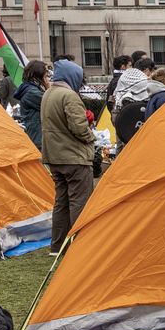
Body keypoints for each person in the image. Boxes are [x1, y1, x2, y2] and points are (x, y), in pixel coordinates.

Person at [40, 59, 95, 255]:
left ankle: (57, 246)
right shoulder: (69, 96)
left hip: (54, 156)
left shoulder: (48, 93)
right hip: (74, 157)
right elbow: (79, 127)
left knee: (61, 202)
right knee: (79, 201)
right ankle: (80, 245)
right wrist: (91, 138)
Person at [14, 61, 49, 149]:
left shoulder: (31, 89)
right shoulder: (32, 92)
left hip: (36, 135)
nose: (48, 78)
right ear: (39, 75)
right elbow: (51, 105)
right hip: (38, 137)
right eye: (46, 75)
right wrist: (48, 87)